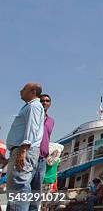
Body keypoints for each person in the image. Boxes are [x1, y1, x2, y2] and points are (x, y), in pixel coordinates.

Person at [5, 83, 45, 211]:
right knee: (17, 189)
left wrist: (23, 151)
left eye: (24, 89)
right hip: (24, 150)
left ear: (33, 92)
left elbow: (31, 129)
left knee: (18, 188)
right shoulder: (31, 106)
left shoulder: (33, 106)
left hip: (24, 150)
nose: (20, 91)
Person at [29, 94, 55, 211]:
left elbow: (47, 137)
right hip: (30, 156)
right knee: (24, 188)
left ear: (50, 103)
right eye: (42, 100)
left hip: (42, 159)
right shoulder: (33, 116)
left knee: (36, 190)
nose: (44, 102)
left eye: (47, 101)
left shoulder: (51, 121)